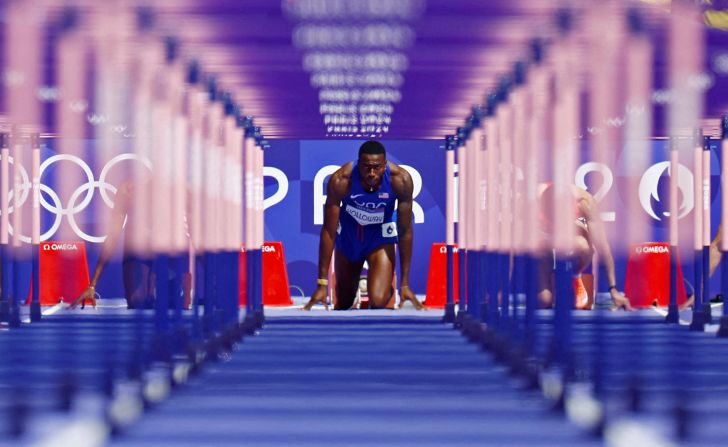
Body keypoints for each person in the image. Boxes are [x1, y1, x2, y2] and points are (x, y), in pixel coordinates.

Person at [303, 140, 424, 310]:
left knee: (379, 300)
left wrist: (404, 284)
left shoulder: (400, 180)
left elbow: (405, 231)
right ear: (359, 164)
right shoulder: (341, 180)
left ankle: (385, 284)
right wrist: (322, 284)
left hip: (379, 239)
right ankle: (353, 288)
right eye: (367, 167)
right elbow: (329, 231)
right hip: (349, 238)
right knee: (344, 301)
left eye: (377, 167)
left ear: (385, 165)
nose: (372, 173)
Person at [537, 183, 633, 311]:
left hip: (568, 233)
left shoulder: (584, 202)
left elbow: (602, 247)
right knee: (544, 301)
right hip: (542, 238)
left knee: (583, 245)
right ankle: (550, 280)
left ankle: (575, 275)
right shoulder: (531, 202)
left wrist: (613, 290)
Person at [68, 182, 159, 309]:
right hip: (137, 255)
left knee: (176, 304)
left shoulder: (178, 190)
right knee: (138, 302)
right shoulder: (128, 191)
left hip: (169, 257)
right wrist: (92, 285)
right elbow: (113, 236)